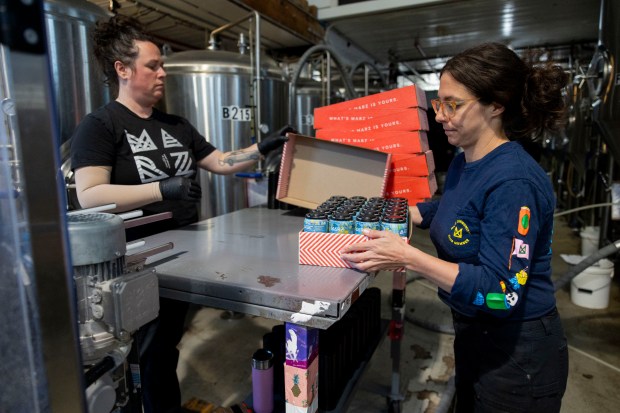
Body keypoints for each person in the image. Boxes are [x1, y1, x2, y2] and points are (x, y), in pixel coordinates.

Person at [70, 15, 292, 413]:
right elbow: (89, 194)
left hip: (183, 254)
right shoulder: (101, 125)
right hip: (134, 260)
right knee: (144, 352)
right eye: (152, 65)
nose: (162, 73)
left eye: (162, 64)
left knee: (165, 346)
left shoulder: (175, 124)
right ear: (122, 69)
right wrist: (163, 188)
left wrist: (264, 147)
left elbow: (221, 161)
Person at [341, 42, 569, 413]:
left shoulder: (514, 182)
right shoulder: (467, 160)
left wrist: (409, 258)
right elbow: (462, 210)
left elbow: (502, 293)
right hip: (473, 335)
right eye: (439, 103)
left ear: (496, 105)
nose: (442, 116)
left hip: (518, 355)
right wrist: (416, 212)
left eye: (454, 104)